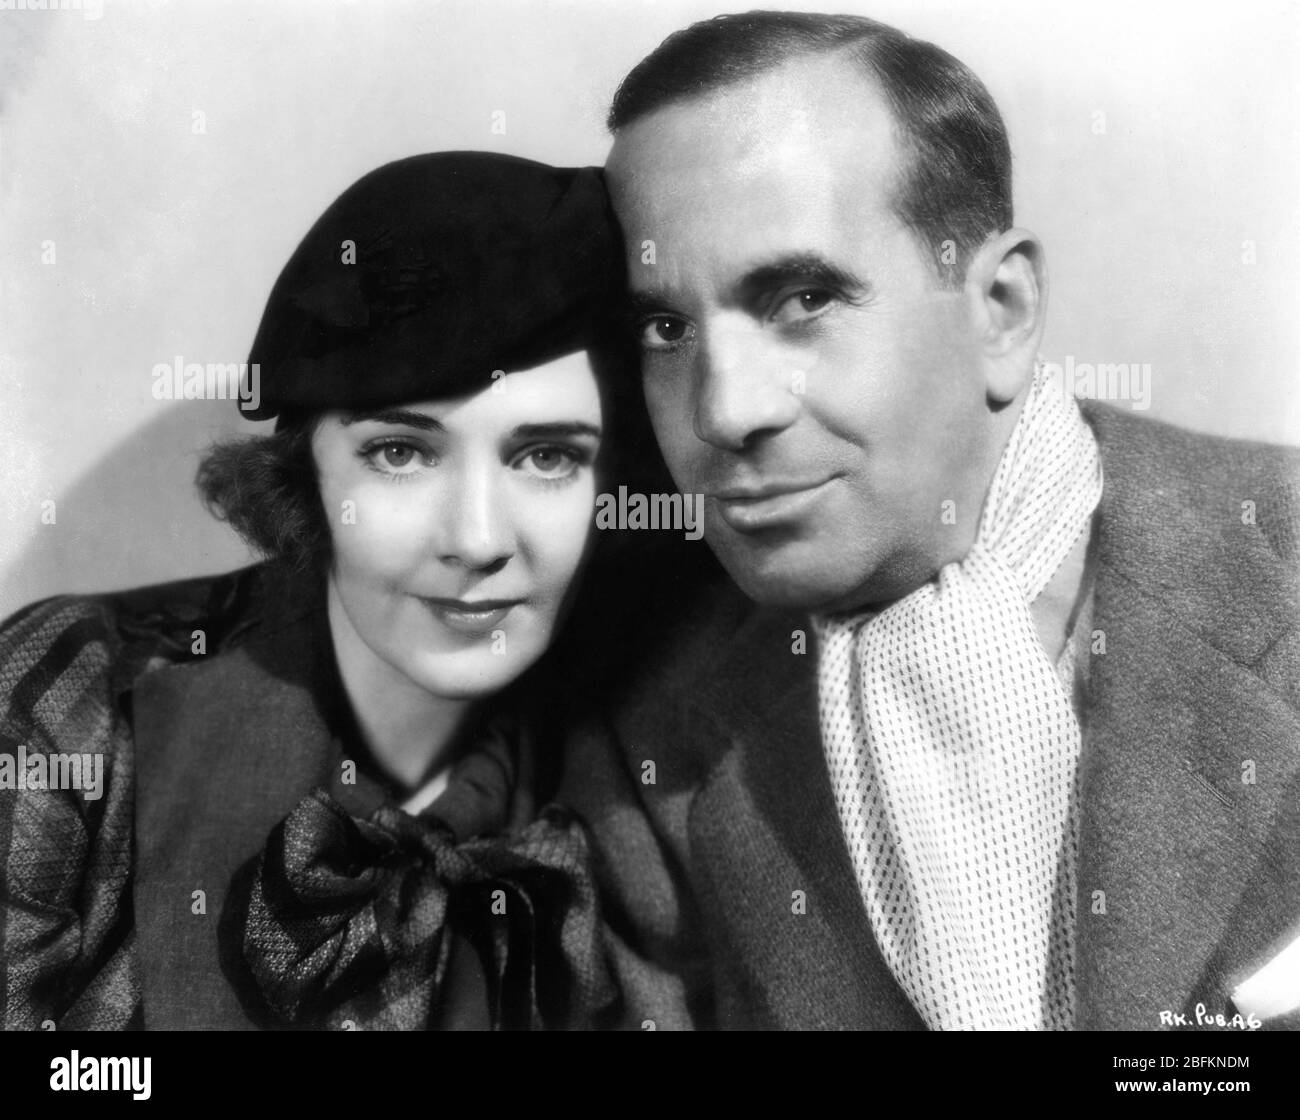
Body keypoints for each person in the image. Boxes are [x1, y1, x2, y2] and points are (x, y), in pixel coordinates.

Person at [558, 11, 1300, 1030]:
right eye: (666, 326)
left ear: (998, 309)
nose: (724, 410)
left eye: (803, 296)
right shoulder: (643, 758)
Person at [0, 151, 655, 1030]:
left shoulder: (651, 751)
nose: (477, 540)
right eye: (401, 453)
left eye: (547, 458)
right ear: (303, 472)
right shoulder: (71, 698)